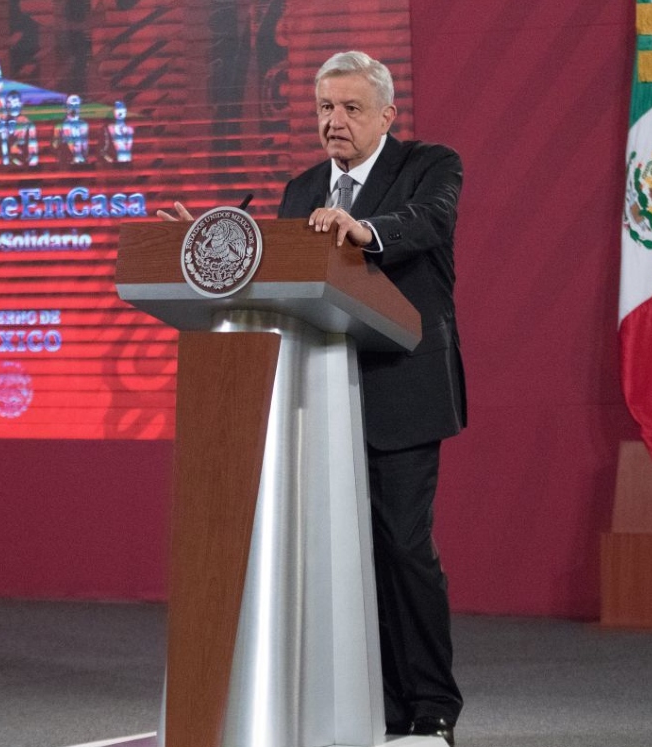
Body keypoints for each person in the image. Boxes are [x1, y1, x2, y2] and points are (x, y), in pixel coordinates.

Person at [159, 50, 465, 746]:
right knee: (338, 553)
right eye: (326, 107)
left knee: (402, 545)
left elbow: (430, 221)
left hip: (401, 389)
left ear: (387, 114)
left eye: (352, 108)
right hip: (318, 397)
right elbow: (282, 273)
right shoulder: (301, 190)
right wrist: (205, 246)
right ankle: (371, 708)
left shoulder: (430, 165)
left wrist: (366, 230)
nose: (335, 121)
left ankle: (431, 708)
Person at [53, 94, 90, 167]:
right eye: (71, 105)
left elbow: (85, 145)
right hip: (65, 161)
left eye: (76, 105)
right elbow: (54, 145)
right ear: (66, 107)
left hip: (81, 162)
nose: (74, 108)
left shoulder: (84, 125)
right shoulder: (59, 125)